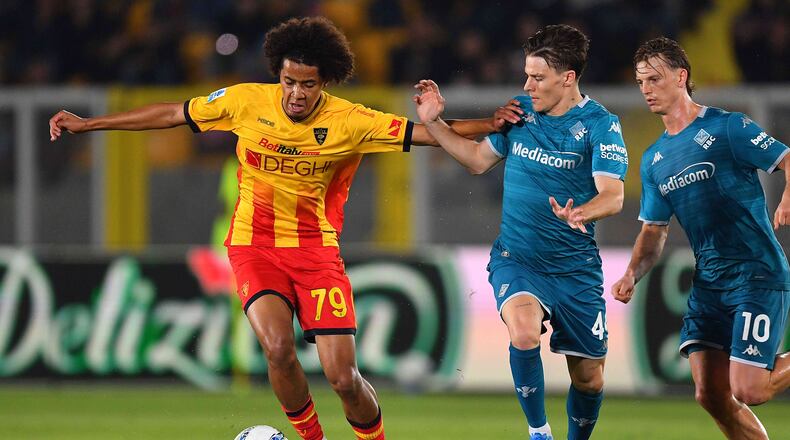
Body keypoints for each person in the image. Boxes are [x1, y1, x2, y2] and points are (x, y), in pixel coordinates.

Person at [48, 16, 512, 440]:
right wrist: (89, 124)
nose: (295, 93)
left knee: (343, 378)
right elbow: (172, 114)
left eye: (307, 84)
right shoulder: (245, 101)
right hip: (253, 246)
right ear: (279, 75)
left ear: (324, 82)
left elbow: (428, 133)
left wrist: (490, 123)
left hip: (315, 253)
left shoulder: (350, 120)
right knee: (276, 349)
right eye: (289, 81)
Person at [414, 24, 627, 440]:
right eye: (526, 75)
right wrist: (434, 122)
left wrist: (580, 212)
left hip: (575, 269)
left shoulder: (601, 125)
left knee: (589, 380)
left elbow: (613, 195)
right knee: (525, 333)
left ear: (567, 78)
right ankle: (539, 431)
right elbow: (477, 160)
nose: (527, 85)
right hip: (518, 259)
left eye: (537, 77)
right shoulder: (521, 113)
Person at [611, 37, 790, 440]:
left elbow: (787, 158)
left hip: (755, 274)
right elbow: (653, 231)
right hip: (710, 284)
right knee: (710, 394)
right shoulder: (653, 160)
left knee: (750, 389)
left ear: (681, 76)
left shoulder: (728, 127)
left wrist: (788, 196)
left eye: (655, 79)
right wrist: (632, 273)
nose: (646, 89)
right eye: (640, 82)